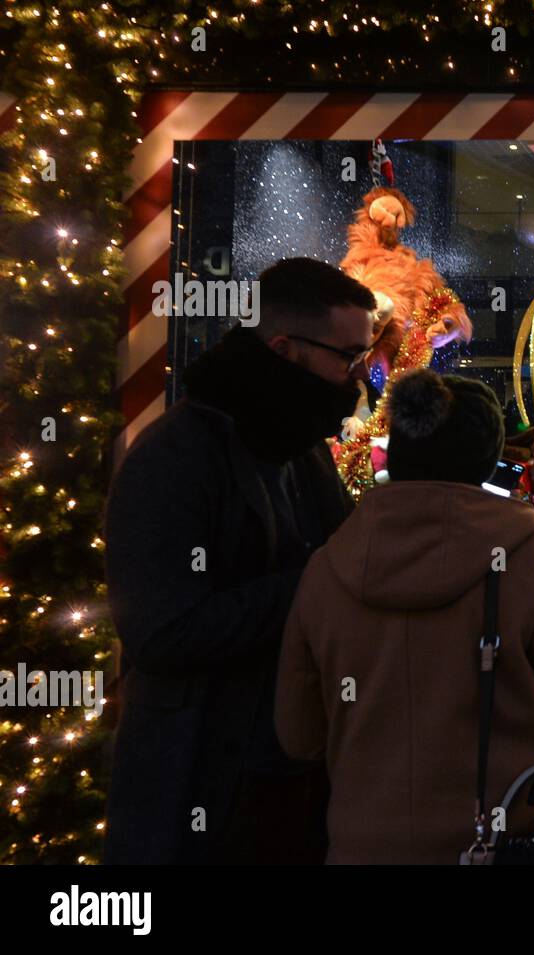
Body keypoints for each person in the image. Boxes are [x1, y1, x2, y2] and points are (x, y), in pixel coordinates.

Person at [274, 368, 534, 864]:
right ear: (485, 455)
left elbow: (298, 734)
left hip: (364, 846)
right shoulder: (523, 551)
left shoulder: (329, 564)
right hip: (503, 843)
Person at [104, 257, 376, 864]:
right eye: (348, 358)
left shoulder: (300, 448)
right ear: (284, 349)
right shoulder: (173, 457)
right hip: (196, 786)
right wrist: (316, 584)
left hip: (290, 781)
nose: (358, 379)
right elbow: (161, 631)